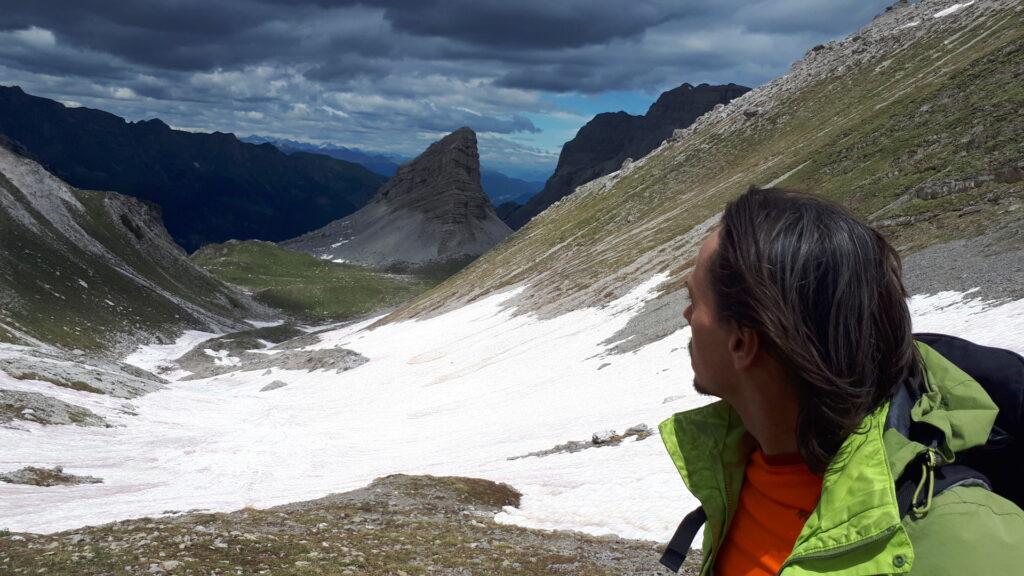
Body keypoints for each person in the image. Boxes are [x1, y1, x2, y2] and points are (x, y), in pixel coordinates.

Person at [659, 187, 1024, 575]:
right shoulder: (736, 463)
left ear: (742, 342)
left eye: (694, 300)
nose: (686, 315)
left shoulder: (972, 548)